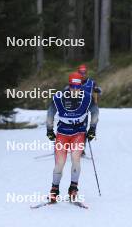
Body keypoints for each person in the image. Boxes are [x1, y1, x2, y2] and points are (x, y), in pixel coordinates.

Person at [46, 72, 99, 203]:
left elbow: (95, 112)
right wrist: (49, 129)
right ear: (68, 85)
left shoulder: (87, 97)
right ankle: (54, 190)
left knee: (76, 159)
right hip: (62, 134)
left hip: (78, 134)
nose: (75, 89)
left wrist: (92, 129)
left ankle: (73, 188)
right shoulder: (59, 97)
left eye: (77, 86)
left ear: (80, 86)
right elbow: (50, 113)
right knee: (59, 163)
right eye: (72, 86)